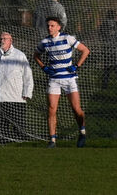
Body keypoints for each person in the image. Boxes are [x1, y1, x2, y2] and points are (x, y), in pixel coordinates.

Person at [34, 16, 89, 147]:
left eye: (52, 25)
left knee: (76, 109)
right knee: (51, 109)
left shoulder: (67, 38)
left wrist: (77, 66)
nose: (49, 28)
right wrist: (44, 67)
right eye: (48, 25)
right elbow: (35, 55)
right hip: (54, 80)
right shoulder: (45, 42)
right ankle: (52, 140)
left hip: (69, 79)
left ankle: (82, 132)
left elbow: (85, 50)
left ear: (59, 27)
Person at [0, 31, 34, 144]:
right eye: (1, 39)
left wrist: (27, 92)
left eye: (5, 39)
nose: (2, 41)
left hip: (16, 98)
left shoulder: (20, 56)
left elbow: (27, 75)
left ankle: (20, 144)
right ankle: (2, 143)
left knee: (19, 126)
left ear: (11, 40)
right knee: (1, 126)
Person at [96, 10, 117, 91]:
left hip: (107, 49)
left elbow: (100, 35)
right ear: (114, 16)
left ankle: (104, 87)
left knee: (106, 69)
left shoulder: (103, 25)